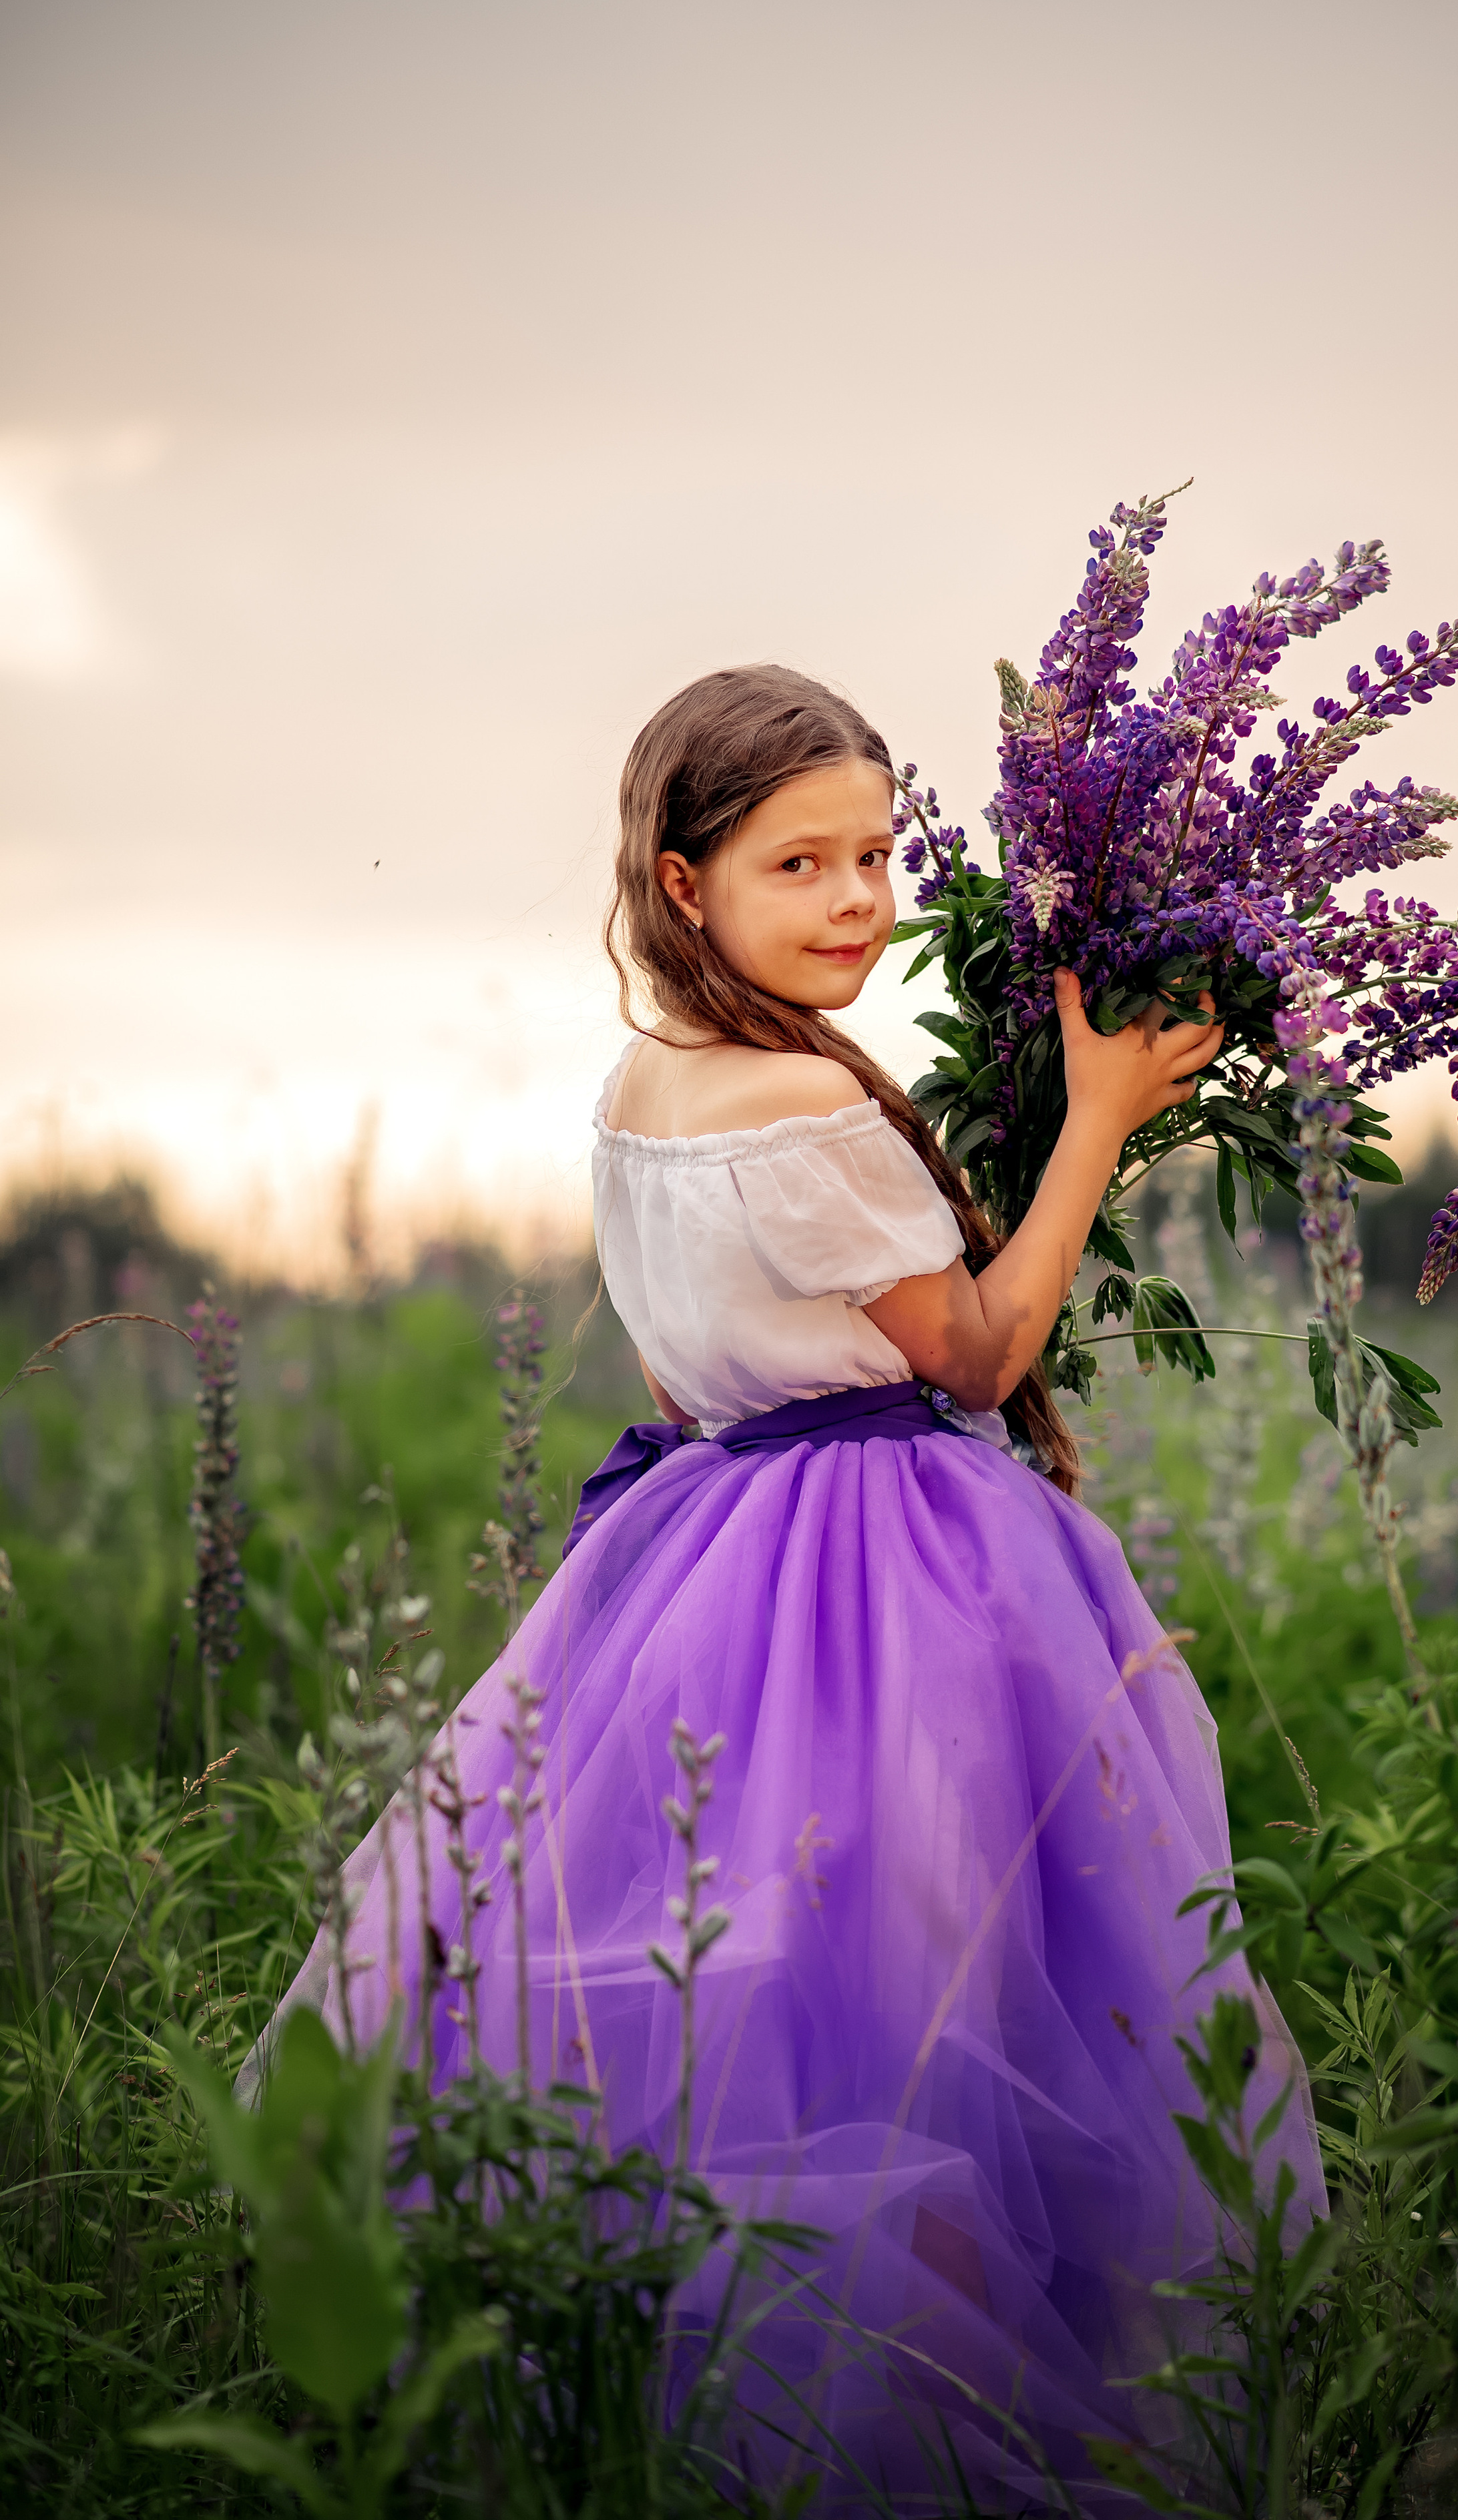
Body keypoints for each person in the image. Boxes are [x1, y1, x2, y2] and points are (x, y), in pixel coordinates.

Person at [290, 664, 1324, 2509]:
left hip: (695, 1558)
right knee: (939, 1995)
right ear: (684, 884)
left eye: (878, 856)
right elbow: (984, 1351)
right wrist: (1094, 1115)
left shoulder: (642, 1090)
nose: (858, 901)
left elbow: (686, 1370)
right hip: (892, 1574)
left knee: (751, 1981)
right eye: (801, 865)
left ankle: (695, 2405)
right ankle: (932, 2430)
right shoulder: (802, 1104)